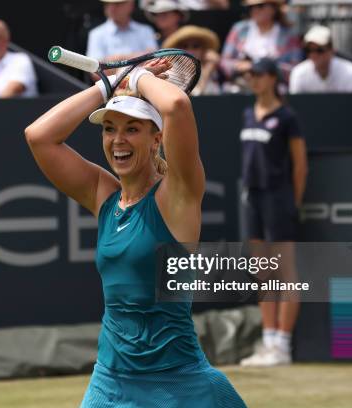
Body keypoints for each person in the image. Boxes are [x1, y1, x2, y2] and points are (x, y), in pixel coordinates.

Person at [25, 60, 246, 405]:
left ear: (157, 138)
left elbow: (175, 105)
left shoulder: (177, 196)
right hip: (109, 384)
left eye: (132, 129)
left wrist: (139, 77)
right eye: (109, 128)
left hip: (179, 385)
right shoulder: (105, 197)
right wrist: (107, 86)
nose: (117, 140)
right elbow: (39, 137)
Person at [238, 58, 307, 367]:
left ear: (272, 78)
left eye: (258, 74)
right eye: (250, 75)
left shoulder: (287, 117)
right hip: (253, 198)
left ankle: (283, 344)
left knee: (286, 273)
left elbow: (300, 165)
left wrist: (293, 202)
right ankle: (268, 342)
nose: (253, 79)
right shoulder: (247, 114)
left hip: (279, 199)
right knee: (263, 272)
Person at [220, 0, 301, 89]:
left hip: (276, 88)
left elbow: (295, 69)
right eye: (251, 7)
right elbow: (224, 61)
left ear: (273, 8)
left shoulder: (289, 34)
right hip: (240, 85)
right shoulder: (239, 29)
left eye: (260, 6)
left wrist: (265, 68)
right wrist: (240, 66)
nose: (255, 10)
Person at [290, 25, 352, 93]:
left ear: (332, 50)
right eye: (309, 50)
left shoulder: (350, 71)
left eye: (319, 50)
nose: (314, 54)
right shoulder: (299, 73)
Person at [86, 0, 157, 62]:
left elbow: (154, 59)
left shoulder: (146, 30)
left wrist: (117, 59)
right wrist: (140, 57)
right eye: (107, 3)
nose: (111, 7)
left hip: (144, 76)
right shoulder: (96, 34)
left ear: (131, 5)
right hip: (141, 75)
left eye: (118, 3)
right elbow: (95, 70)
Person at [163, 25, 222, 95]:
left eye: (195, 46)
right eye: (185, 46)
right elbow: (196, 94)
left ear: (203, 50)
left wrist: (209, 68)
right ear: (177, 50)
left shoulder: (210, 67)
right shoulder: (170, 72)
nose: (190, 50)